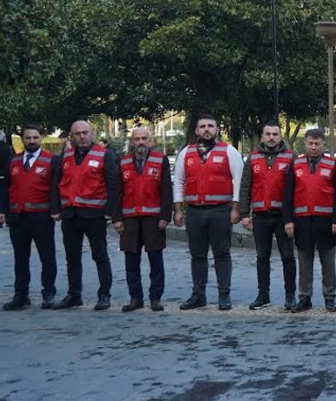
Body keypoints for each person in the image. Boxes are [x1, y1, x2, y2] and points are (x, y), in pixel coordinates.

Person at [173, 114, 243, 310]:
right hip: (194, 211)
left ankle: (224, 295)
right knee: (197, 255)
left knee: (222, 253)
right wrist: (178, 210)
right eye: (202, 126)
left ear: (217, 129)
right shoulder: (186, 153)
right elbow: (178, 182)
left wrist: (236, 209)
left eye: (210, 126)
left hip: (221, 210)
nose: (206, 129)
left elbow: (239, 181)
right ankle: (198, 295)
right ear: (196, 131)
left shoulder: (229, 151)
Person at [53, 119, 119, 310]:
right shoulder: (65, 157)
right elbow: (57, 183)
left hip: (94, 215)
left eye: (85, 133)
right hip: (70, 215)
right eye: (77, 134)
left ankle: (104, 294)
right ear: (71, 136)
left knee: (100, 256)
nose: (82, 136)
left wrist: (110, 212)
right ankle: (74, 295)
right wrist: (56, 209)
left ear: (92, 134)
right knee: (71, 257)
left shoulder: (104, 155)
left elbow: (113, 184)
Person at [0, 124, 59, 310]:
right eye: (28, 138)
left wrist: (56, 210)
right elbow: (5, 188)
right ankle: (21, 295)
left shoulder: (52, 160)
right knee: (20, 259)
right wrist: (0, 210)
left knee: (47, 258)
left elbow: (56, 188)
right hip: (17, 217)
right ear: (22, 139)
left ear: (41, 138)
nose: (32, 141)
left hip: (42, 217)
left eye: (35, 138)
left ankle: (48, 293)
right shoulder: (13, 160)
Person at [238, 121, 298, 311]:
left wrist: (293, 217)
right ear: (262, 137)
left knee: (288, 256)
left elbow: (298, 188)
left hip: (283, 217)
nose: (271, 137)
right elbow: (245, 186)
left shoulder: (291, 158)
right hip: (261, 216)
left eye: (275, 134)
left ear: (280, 137)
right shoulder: (253, 158)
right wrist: (244, 214)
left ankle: (290, 296)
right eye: (268, 134)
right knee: (262, 257)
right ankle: (263, 295)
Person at [113, 126, 172, 312]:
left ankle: (155, 298)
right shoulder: (122, 162)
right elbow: (116, 192)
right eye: (137, 139)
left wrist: (165, 216)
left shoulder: (160, 160)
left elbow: (166, 190)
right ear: (132, 142)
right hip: (129, 218)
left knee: (156, 260)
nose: (140, 142)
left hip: (153, 219)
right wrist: (117, 219)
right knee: (131, 261)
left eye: (144, 138)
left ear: (150, 140)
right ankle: (135, 298)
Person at [283, 128, 336, 311]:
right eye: (310, 143)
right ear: (305, 144)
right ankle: (304, 297)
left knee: (328, 263)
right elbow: (288, 195)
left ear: (323, 144)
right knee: (304, 262)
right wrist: (288, 220)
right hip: (302, 222)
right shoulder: (296, 164)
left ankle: (330, 297)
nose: (313, 147)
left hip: (326, 222)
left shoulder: (334, 165)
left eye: (317, 144)